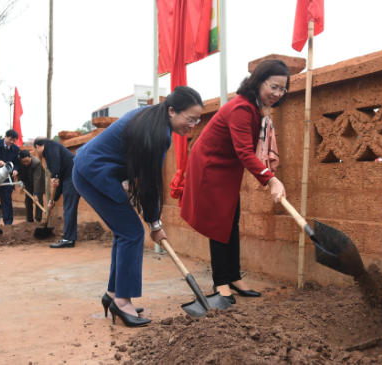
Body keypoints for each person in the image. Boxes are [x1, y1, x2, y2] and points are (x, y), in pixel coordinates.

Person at [73, 86, 203, 327]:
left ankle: (113, 294)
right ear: (172, 111)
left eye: (198, 119)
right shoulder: (156, 133)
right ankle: (122, 302)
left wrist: (153, 220)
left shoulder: (153, 119)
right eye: (190, 118)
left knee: (125, 232)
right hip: (92, 174)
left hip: (93, 170)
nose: (193, 124)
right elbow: (150, 185)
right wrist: (155, 225)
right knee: (132, 232)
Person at [181, 59, 289, 304]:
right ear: (258, 81)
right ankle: (221, 286)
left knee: (232, 221)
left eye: (282, 89)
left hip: (227, 168)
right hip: (211, 167)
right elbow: (245, 152)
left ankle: (233, 276)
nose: (277, 93)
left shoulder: (254, 107)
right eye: (273, 86)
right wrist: (272, 180)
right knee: (220, 225)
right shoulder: (241, 108)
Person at [33, 137, 80, 248]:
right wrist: (53, 200)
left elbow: (56, 162)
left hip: (72, 177)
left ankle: (68, 239)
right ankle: (69, 237)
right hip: (71, 177)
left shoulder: (50, 146)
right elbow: (59, 182)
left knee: (68, 208)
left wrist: (55, 176)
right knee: (70, 208)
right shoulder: (53, 148)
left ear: (38, 146)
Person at [18, 150, 45, 223]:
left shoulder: (36, 163)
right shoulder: (19, 162)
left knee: (39, 198)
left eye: (27, 161)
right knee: (28, 199)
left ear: (30, 157)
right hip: (27, 181)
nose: (25, 163)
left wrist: (36, 194)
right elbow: (19, 173)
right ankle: (29, 219)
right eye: (23, 162)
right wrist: (20, 182)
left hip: (39, 181)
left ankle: (38, 218)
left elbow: (37, 179)